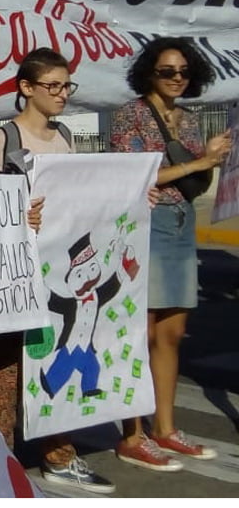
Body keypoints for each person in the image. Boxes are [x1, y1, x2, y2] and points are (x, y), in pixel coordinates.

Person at [0, 48, 115, 494]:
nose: (62, 95)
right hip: (14, 270)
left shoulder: (66, 136)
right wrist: (19, 214)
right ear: (26, 89)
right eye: (52, 86)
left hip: (57, 271)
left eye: (66, 86)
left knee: (54, 356)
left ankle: (59, 453)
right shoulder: (6, 140)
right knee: (5, 365)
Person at [110, 37, 230, 470]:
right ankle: (133, 434)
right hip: (146, 228)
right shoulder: (131, 115)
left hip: (181, 228)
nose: (176, 78)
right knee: (140, 335)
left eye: (183, 71)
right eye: (167, 71)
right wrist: (201, 163)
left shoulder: (190, 119)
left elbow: (186, 177)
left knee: (172, 334)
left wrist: (211, 158)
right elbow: (137, 175)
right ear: (149, 73)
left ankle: (165, 427)